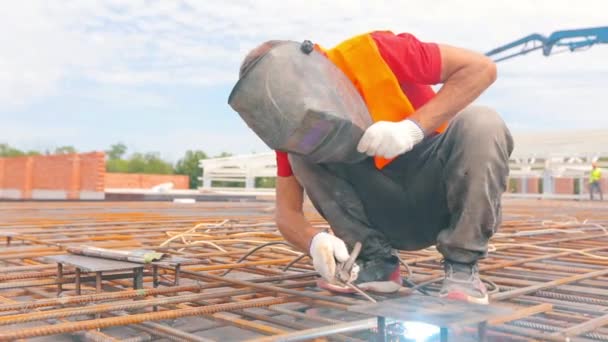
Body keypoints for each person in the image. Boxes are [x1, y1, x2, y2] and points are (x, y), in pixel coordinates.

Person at [230, 31, 513, 305]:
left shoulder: (373, 51)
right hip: (381, 216)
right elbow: (286, 213)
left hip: (439, 197)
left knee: (482, 122)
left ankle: (462, 268)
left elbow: (480, 68)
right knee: (301, 153)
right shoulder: (294, 128)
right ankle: (376, 264)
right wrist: (314, 242)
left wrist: (412, 129)